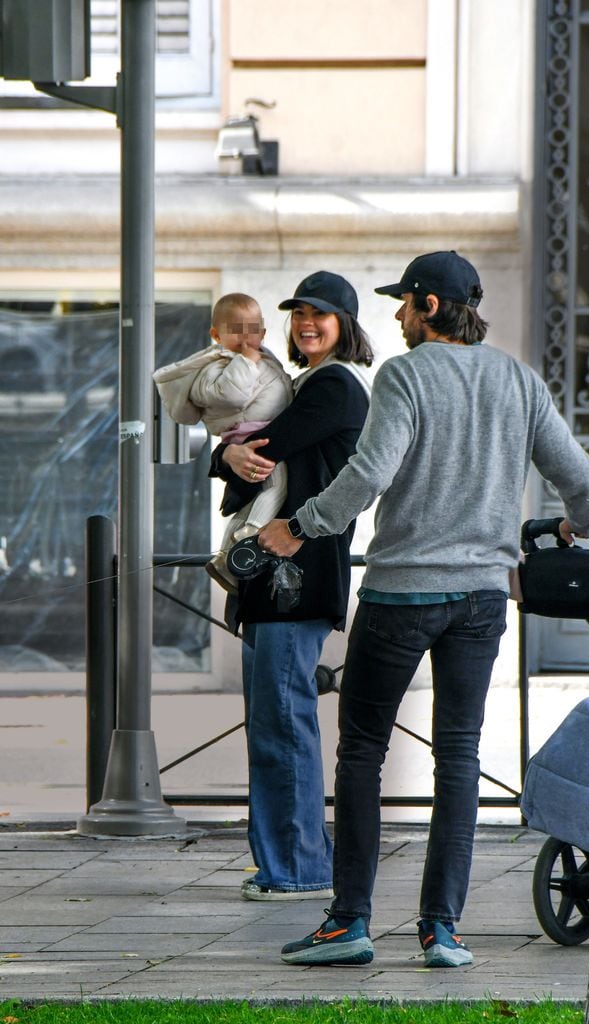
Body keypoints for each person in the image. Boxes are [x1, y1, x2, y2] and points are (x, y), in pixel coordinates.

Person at [257, 251, 589, 965]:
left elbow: (371, 472)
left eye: (403, 303)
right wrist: (576, 527)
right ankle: (441, 930)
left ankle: (348, 922)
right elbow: (586, 488)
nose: (394, 316)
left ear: (430, 307)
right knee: (459, 757)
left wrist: (299, 526)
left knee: (361, 752)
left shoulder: (406, 374)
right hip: (481, 599)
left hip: (402, 592)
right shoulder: (518, 379)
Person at [209, 271, 374, 900]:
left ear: (346, 325)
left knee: (283, 724)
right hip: (274, 582)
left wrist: (227, 455)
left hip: (295, 579)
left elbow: (260, 447)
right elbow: (244, 458)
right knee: (274, 725)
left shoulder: (334, 386)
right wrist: (228, 457)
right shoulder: (305, 383)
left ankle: (299, 867)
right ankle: (287, 860)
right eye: (299, 312)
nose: (306, 322)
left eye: (321, 314)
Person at [153, 292, 293, 590]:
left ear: (264, 332)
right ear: (216, 335)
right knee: (277, 486)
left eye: (253, 329)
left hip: (260, 432)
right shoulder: (216, 365)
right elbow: (229, 394)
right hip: (250, 435)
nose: (245, 338)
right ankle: (248, 534)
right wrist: (246, 361)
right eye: (236, 329)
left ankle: (226, 559)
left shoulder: (263, 358)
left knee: (249, 500)